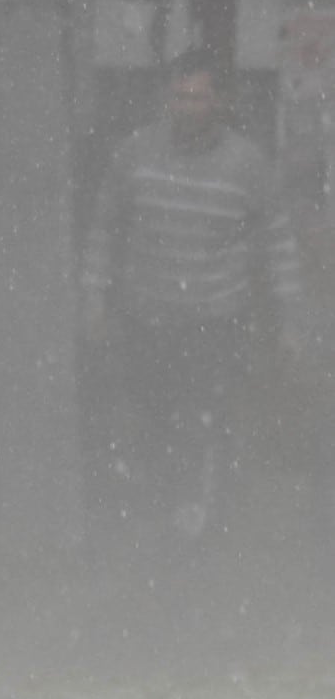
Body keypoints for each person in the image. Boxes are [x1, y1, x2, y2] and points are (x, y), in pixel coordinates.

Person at [88, 58, 301, 540]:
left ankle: (195, 524)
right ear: (168, 100)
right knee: (152, 419)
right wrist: (95, 299)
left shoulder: (246, 165)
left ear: (219, 103)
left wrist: (290, 322)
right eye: (180, 97)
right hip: (146, 319)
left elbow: (279, 242)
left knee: (199, 423)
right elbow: (104, 225)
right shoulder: (136, 154)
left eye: (198, 97)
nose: (188, 107)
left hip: (212, 325)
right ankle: (161, 513)